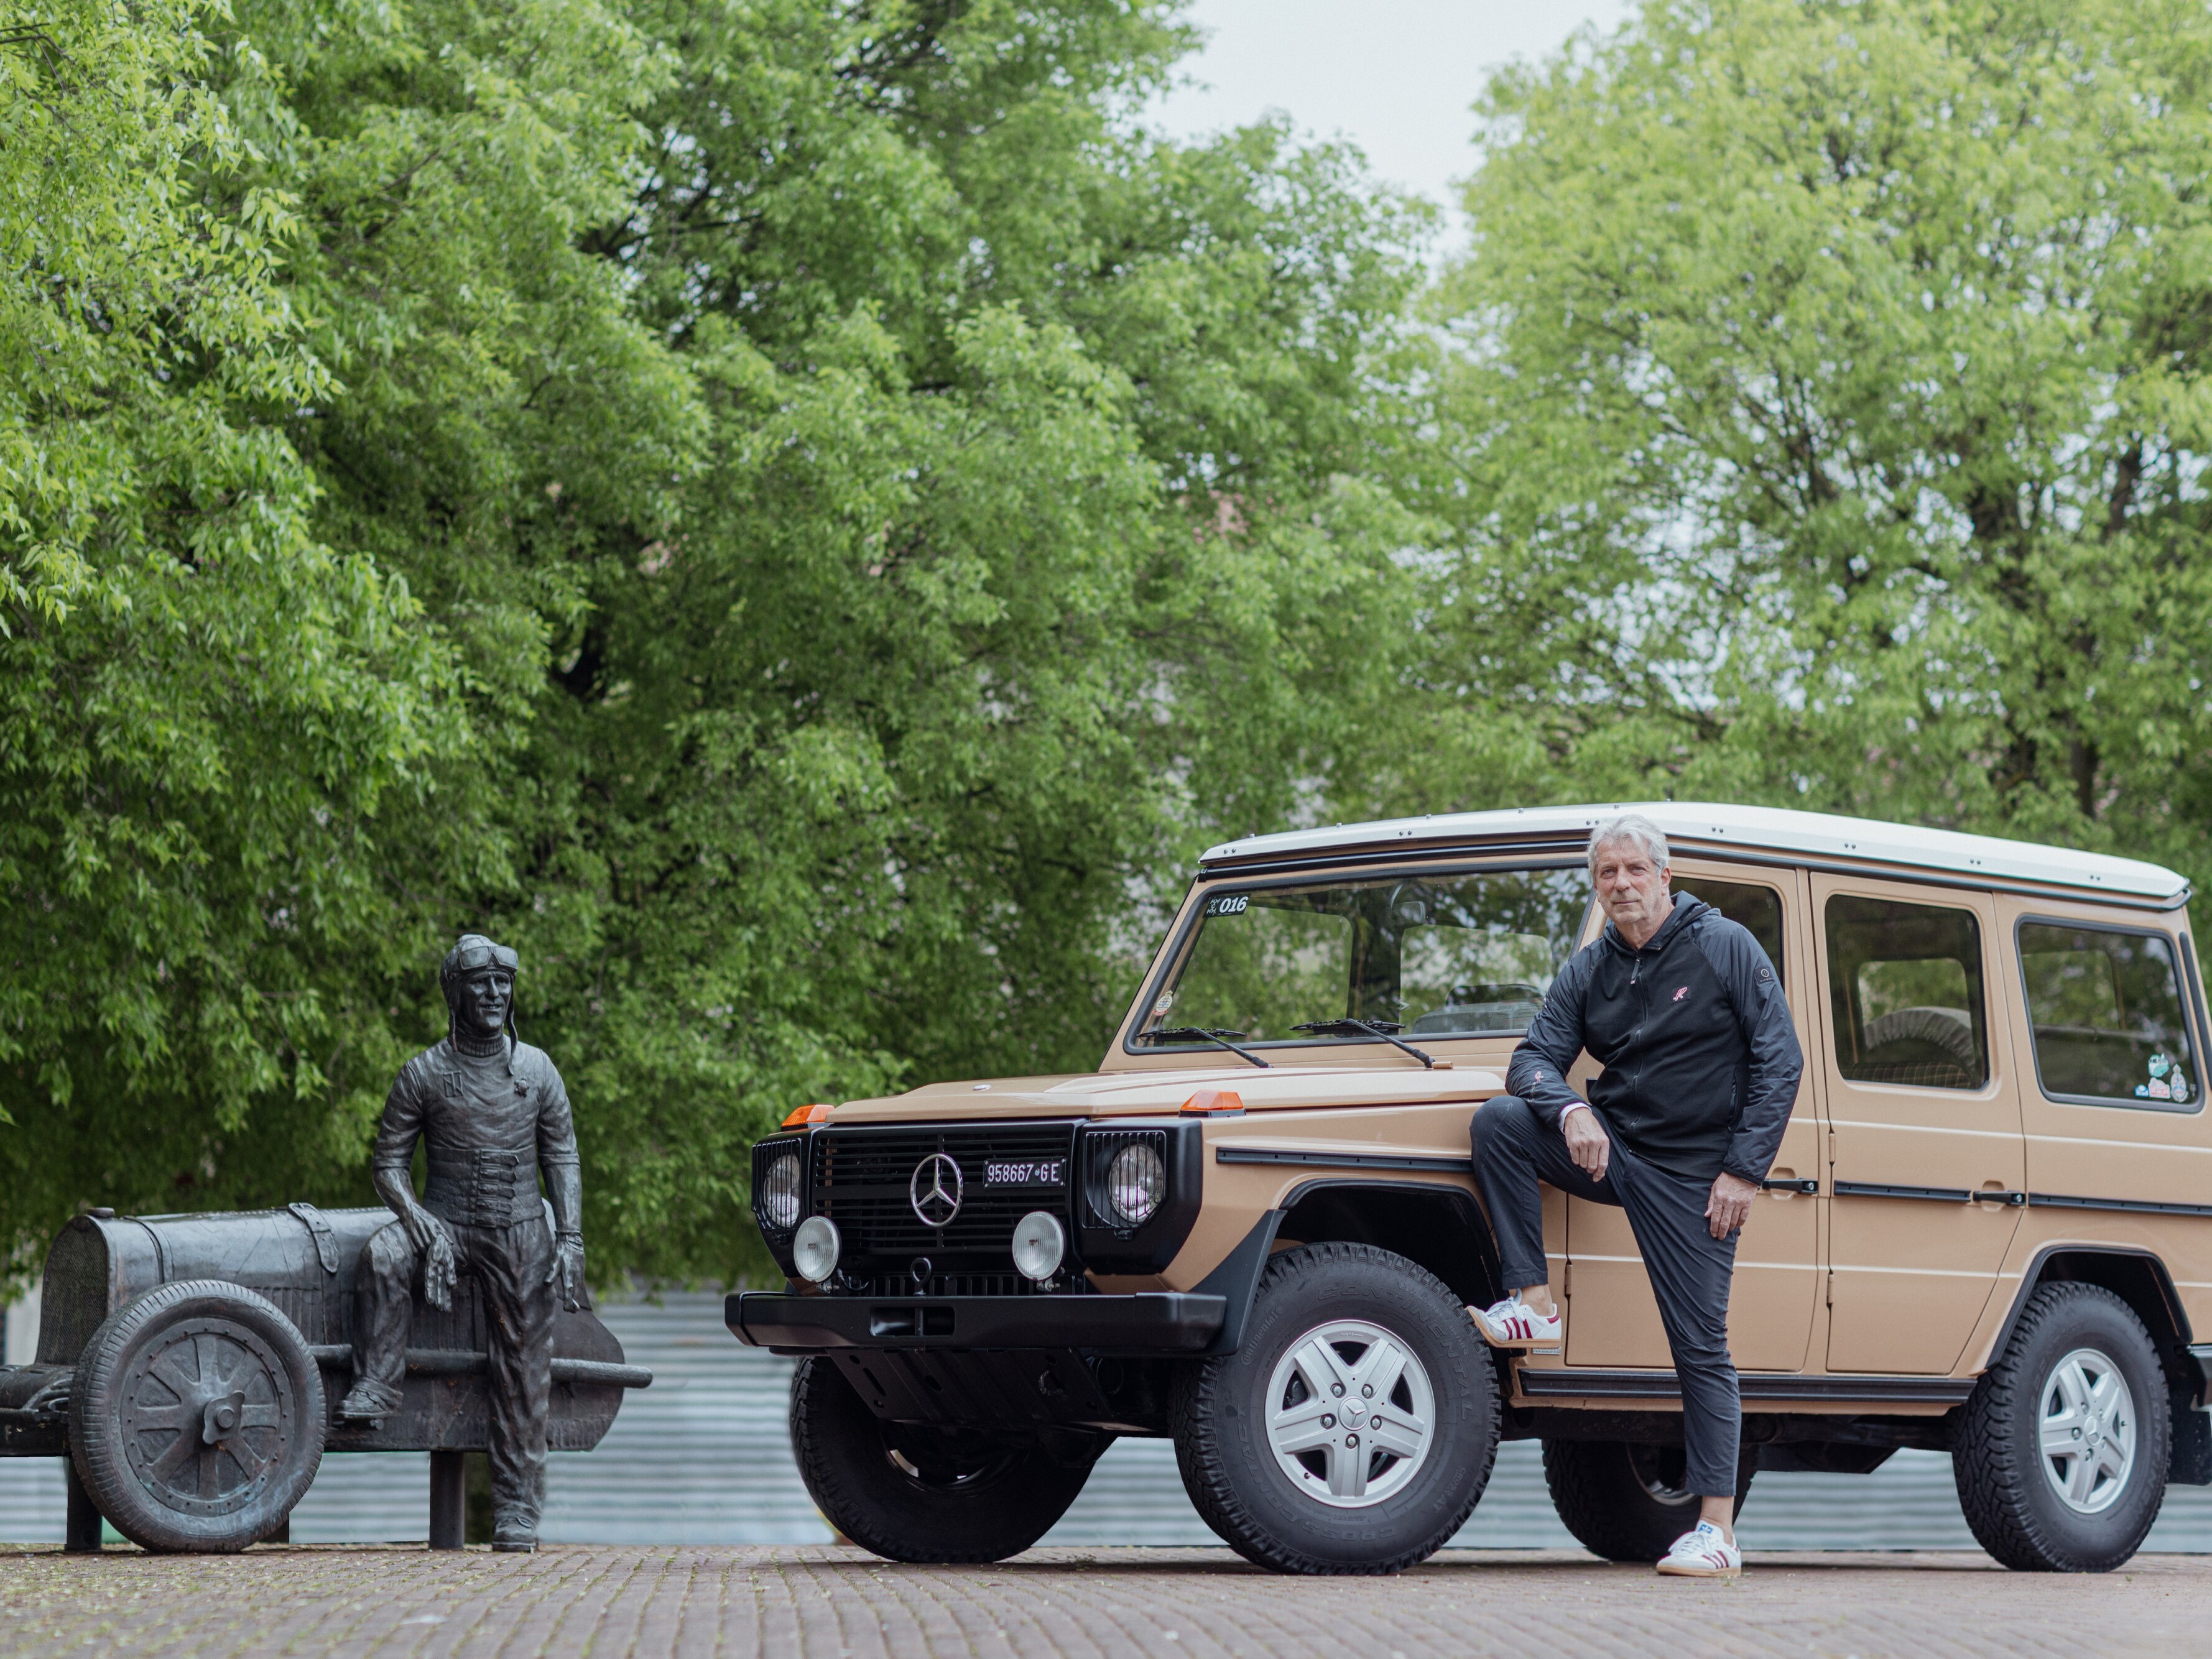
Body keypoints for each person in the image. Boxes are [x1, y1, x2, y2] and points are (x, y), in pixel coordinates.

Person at [1467, 814, 1802, 1579]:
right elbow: (1530, 1059)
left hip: (1696, 1179)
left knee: (1700, 1348)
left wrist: (1743, 1172)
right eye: (1606, 874)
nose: (1619, 884)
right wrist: (1570, 1109)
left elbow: (1780, 1060)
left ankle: (1715, 1532)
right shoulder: (1590, 968)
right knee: (1502, 1122)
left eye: (1632, 870)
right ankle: (1533, 1302)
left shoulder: (1723, 946)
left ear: (1663, 874)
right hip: (1614, 1150)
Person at [338, 934, 587, 1552]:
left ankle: (517, 1511)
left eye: (502, 983)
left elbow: (562, 1155)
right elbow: (388, 1163)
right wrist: (418, 1220)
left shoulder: (538, 1071)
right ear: (456, 994)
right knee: (382, 1255)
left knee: (525, 1369)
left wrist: (571, 1237)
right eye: (479, 983)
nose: (494, 993)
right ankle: (379, 1380)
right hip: (443, 1221)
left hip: (521, 1230)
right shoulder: (423, 1073)